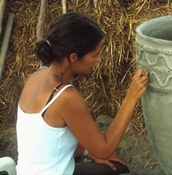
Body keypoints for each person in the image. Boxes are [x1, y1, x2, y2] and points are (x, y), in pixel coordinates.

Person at [16, 12, 148, 175]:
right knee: (119, 170)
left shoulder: (35, 77)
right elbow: (105, 149)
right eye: (95, 54)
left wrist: (87, 152)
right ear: (74, 57)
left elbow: (52, 138)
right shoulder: (65, 96)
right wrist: (132, 96)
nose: (98, 59)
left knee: (116, 168)